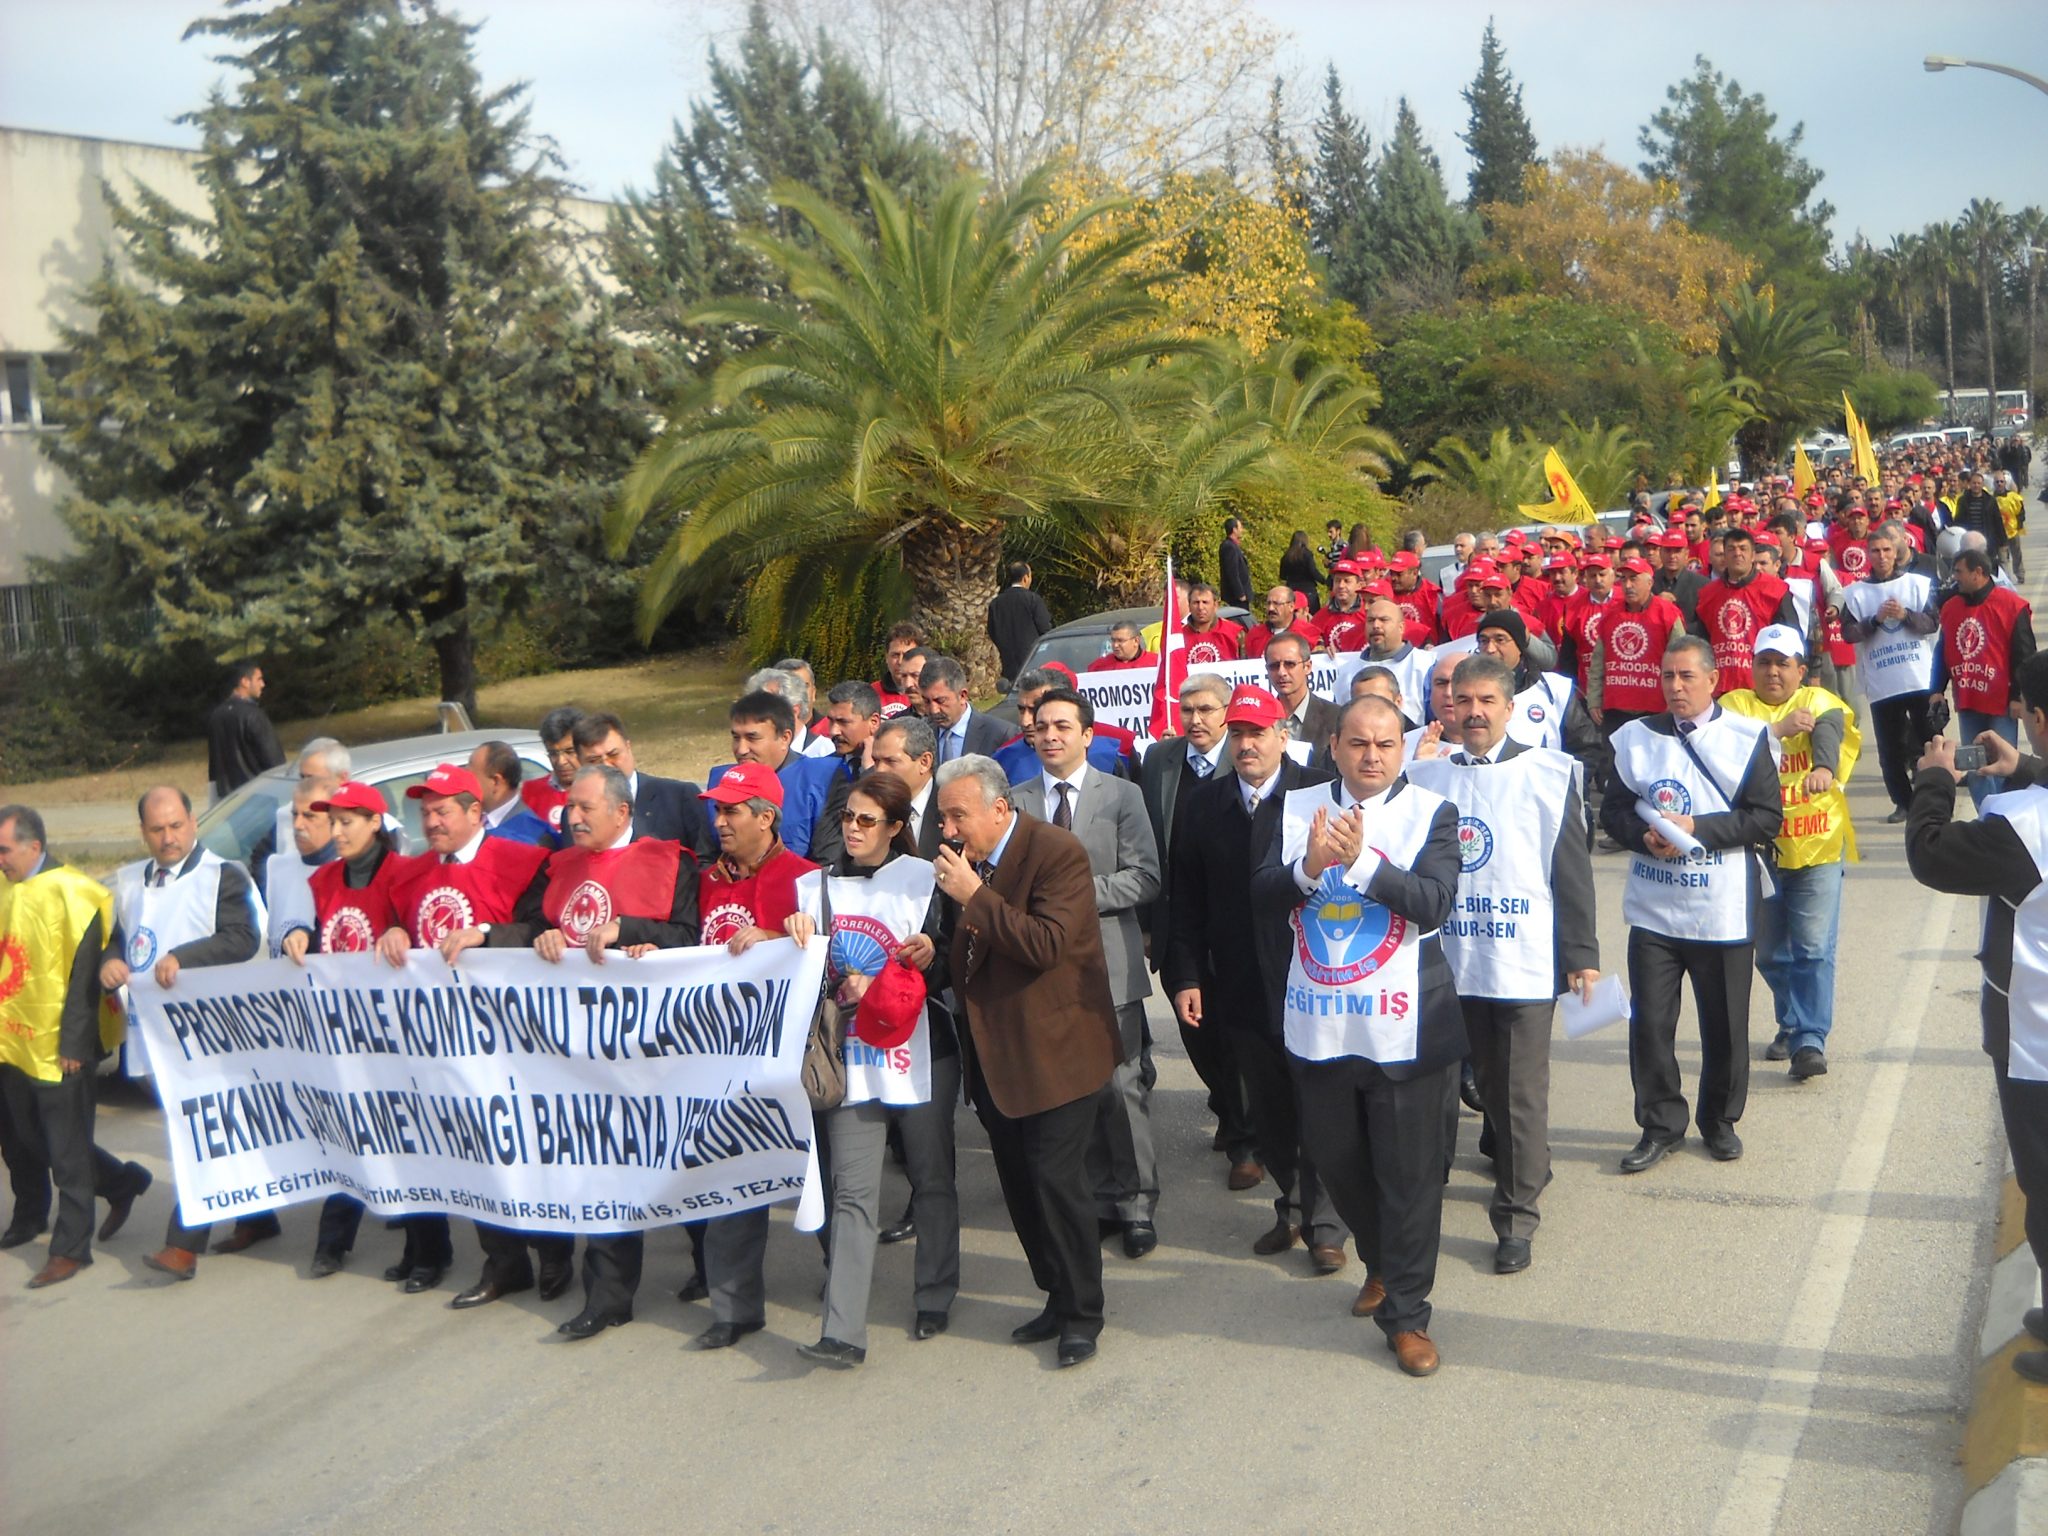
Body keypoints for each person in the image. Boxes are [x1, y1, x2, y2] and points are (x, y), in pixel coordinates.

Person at [1252, 695, 1463, 1376]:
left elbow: (1433, 903)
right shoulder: (1291, 807)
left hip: (1405, 1027)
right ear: (1334, 746)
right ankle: (1383, 1259)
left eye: (1386, 744)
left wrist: (1364, 863)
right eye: (1358, 744)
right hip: (1320, 1024)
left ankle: (1407, 1313)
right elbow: (1259, 895)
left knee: (1410, 1178)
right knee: (1339, 1164)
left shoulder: (1432, 813)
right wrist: (1309, 869)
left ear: (1403, 750)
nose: (1372, 756)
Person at [471, 764, 700, 1336]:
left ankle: (710, 1268)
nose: (570, 817)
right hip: (574, 1053)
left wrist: (628, 929)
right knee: (605, 1171)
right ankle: (607, 1297)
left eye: (584, 809)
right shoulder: (559, 866)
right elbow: (535, 929)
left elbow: (692, 940)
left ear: (622, 812)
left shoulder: (672, 862)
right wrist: (512, 935)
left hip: (652, 1047)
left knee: (682, 1171)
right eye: (569, 807)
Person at [1404, 655, 1596, 1274]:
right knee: (1478, 1084)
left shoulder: (1547, 772)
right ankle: (1519, 1164)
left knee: (1517, 1092)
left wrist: (1582, 957)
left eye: (1488, 700)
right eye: (1465, 701)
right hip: (1450, 961)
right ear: (1450, 708)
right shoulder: (1427, 780)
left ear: (1510, 708)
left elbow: (1571, 870)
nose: (1476, 712)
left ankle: (1516, 1215)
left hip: (1522, 959)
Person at [931, 755, 1121, 1368]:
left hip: (1058, 1051)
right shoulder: (968, 864)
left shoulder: (1057, 852)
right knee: (1017, 1183)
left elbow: (1044, 944)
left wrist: (975, 895)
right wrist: (931, 953)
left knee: (1055, 1182)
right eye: (943, 817)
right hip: (995, 1055)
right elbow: (974, 951)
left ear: (1000, 808)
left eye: (959, 815)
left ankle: (1081, 1315)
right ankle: (1055, 1292)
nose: (949, 830)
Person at [1166, 686, 1348, 1271]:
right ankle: (1292, 1206)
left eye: (1257, 732)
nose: (1247, 744)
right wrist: (1187, 972)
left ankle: (1328, 1225)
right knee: (1269, 1107)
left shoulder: (1318, 791)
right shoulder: (1203, 804)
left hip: (1312, 972)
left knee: (1316, 1102)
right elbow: (1185, 898)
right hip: (1239, 979)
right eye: (1238, 734)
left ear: (1282, 735)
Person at [1905, 669, 2048, 1387]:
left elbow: (1931, 855)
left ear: (2041, 720)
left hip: (2038, 1038)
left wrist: (1934, 779)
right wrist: (2026, 767)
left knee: (2046, 1185)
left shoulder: (2023, 827)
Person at [781, 771, 952, 1368]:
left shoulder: (925, 879)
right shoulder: (812, 888)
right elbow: (799, 974)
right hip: (849, 1059)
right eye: (847, 817)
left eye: (866, 820)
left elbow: (951, 960)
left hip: (920, 1051)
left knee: (930, 1180)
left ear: (896, 828)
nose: (852, 829)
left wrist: (926, 958)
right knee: (853, 1194)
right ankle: (844, 1332)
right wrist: (790, 936)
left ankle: (934, 1292)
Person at [1600, 638, 1782, 1174]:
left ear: (1713, 679)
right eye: (1667, 677)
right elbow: (1612, 811)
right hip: (1656, 909)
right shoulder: (1635, 738)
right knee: (1651, 1023)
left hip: (1721, 908)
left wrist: (1697, 828)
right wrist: (1644, 835)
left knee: (1724, 1024)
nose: (1675, 687)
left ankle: (1720, 1120)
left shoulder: (1746, 738)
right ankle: (1660, 1124)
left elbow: (1765, 818)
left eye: (1686, 677)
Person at [367, 765, 549, 1291]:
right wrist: (396, 930)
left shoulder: (522, 862)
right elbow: (391, 924)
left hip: (509, 1035)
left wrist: (486, 934)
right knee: (466, 1147)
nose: (431, 820)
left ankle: (553, 1254)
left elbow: (543, 928)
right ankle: (504, 1262)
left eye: (442, 810)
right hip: (438, 1039)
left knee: (520, 1146)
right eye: (425, 811)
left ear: (475, 812)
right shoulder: (410, 873)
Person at [1019, 688, 1162, 1259]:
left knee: (1120, 1085)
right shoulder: (1016, 800)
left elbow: (1145, 877)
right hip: (1041, 970)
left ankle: (1134, 1203)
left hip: (1109, 963)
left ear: (1087, 735)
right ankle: (1092, 1201)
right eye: (1041, 726)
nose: (1050, 735)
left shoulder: (1122, 795)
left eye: (1061, 726)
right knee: (1068, 1089)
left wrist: (1073, 898)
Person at [101, 787, 265, 1281]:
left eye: (176, 826)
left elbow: (242, 937)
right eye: (157, 830)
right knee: (199, 1131)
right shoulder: (132, 883)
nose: (168, 838)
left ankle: (183, 1244)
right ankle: (260, 1216)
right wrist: (110, 960)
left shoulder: (222, 876)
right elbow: (121, 937)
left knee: (200, 1133)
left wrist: (184, 959)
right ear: (144, 833)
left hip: (210, 1035)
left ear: (193, 823)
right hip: (153, 1036)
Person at [278, 780, 439, 1278]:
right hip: (347, 1032)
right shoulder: (324, 880)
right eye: (334, 820)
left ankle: (429, 1251)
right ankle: (344, 1244)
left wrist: (401, 932)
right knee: (352, 1133)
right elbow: (320, 937)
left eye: (348, 821)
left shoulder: (404, 873)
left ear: (375, 823)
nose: (337, 830)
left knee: (411, 1141)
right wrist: (296, 933)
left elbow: (420, 935)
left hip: (400, 1033)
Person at [691, 762, 820, 1350]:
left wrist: (780, 939)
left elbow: (829, 958)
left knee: (819, 1177)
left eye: (731, 810)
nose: (720, 821)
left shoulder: (807, 879)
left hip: (789, 1059)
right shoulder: (707, 879)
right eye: (717, 810)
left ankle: (845, 1284)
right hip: (720, 1058)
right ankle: (735, 1307)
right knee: (732, 1177)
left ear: (766, 818)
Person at [0, 805, 149, 1287]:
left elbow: (87, 977)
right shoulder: (7, 885)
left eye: (4, 850)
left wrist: (75, 1043)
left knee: (65, 1150)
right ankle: (45, 1210)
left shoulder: (77, 894)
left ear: (33, 846)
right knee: (22, 1139)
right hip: (11, 1041)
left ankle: (71, 1248)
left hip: (61, 1044)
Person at [1721, 626, 1859, 1079]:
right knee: (1770, 953)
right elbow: (1726, 753)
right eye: (1765, 662)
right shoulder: (1735, 706)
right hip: (1759, 851)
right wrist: (1777, 730)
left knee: (1814, 948)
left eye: (1784, 663)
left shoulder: (1818, 700)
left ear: (1801, 670)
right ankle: (1794, 1021)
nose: (1774, 671)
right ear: (1752, 666)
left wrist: (1822, 765)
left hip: (1817, 843)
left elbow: (1830, 727)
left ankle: (1809, 1040)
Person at [1140, 674, 1253, 1186]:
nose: (1195, 720)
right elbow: (1145, 845)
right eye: (1187, 710)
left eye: (1206, 709)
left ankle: (1245, 1136)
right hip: (1177, 924)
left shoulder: (1248, 759)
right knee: (1197, 1033)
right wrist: (1148, 923)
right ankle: (1228, 1104)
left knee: (1236, 1033)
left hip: (1236, 926)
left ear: (1227, 713)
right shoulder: (1159, 762)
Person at [1839, 524, 1941, 824]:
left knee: (1930, 741)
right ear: (1867, 554)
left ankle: (1933, 799)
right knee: (1890, 750)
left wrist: (1905, 615)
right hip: (1882, 682)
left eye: (1886, 550)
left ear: (1896, 552)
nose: (1882, 556)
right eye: (1875, 551)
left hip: (1918, 677)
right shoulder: (1856, 593)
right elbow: (1849, 633)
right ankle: (1904, 803)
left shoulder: (1917, 584)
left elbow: (1932, 623)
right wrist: (1875, 620)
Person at [1940, 548, 2035, 808]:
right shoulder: (1951, 608)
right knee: (1975, 765)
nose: (1954, 577)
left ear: (1978, 573)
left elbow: (2025, 657)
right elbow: (1943, 651)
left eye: (1959, 571)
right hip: (1969, 701)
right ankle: (1986, 814)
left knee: (2002, 764)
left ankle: (2005, 815)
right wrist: (1937, 689)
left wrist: (2019, 697)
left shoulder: (2011, 606)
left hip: (2002, 703)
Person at [711, 690, 843, 859]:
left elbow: (829, 861)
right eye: (736, 738)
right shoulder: (720, 781)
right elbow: (707, 858)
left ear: (785, 738)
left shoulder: (823, 778)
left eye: (752, 738)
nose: (741, 750)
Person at [572, 711, 715, 858]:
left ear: (628, 747)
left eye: (613, 755)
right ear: (580, 763)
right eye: (594, 761)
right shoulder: (574, 815)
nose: (607, 765)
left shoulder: (679, 797)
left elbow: (705, 860)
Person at [1693, 527, 1797, 696]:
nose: (1737, 553)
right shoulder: (1707, 595)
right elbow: (1701, 642)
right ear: (1724, 556)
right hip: (1719, 687)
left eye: (1743, 548)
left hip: (1761, 687)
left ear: (1752, 555)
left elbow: (1791, 639)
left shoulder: (1775, 590)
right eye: (1731, 549)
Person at [205, 661, 284, 802]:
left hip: (227, 799)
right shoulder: (253, 714)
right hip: (257, 795)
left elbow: (215, 764)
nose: (263, 684)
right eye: (259, 679)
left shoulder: (216, 715)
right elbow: (274, 760)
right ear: (245, 682)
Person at [920, 656, 1009, 763]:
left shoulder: (999, 735)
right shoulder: (921, 735)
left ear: (962, 696)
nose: (934, 710)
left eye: (940, 701)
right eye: (926, 701)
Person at [1362, 599, 1434, 728]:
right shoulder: (1346, 671)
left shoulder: (1426, 665)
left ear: (1401, 627)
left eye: (1384, 620)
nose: (1376, 625)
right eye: (1371, 620)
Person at [468, 740, 554, 845]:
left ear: (496, 781)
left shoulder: (532, 837)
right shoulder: (472, 820)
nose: (465, 782)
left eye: (471, 776)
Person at [1265, 631, 1337, 754]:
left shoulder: (1336, 718)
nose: (1281, 672)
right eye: (1274, 666)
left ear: (1307, 667)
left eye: (1290, 664)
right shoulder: (1262, 719)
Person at [986, 560, 1054, 684]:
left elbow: (992, 630)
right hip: (1033, 660)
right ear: (1025, 578)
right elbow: (1045, 628)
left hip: (1008, 662)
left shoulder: (996, 603)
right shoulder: (1033, 599)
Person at [522, 706, 584, 839]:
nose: (561, 761)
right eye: (553, 753)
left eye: (569, 751)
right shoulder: (530, 793)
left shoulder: (606, 788)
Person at [1181, 582, 1244, 664]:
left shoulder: (1235, 633)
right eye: (1196, 602)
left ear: (1215, 605)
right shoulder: (1178, 637)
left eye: (1205, 602)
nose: (1200, 607)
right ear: (1189, 606)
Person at [1086, 621, 1156, 673]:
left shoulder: (1156, 663)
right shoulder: (1098, 667)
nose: (1115, 645)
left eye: (1120, 640)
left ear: (1136, 641)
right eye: (1113, 640)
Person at [1278, 528, 1323, 605]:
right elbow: (1313, 571)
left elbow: (1282, 576)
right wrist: (1324, 581)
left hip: (1292, 589)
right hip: (1307, 590)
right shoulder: (1307, 554)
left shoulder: (1287, 556)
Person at [1218, 517, 1254, 608]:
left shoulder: (1234, 545)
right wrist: (1240, 594)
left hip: (1239, 596)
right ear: (1234, 529)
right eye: (1240, 527)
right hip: (1235, 598)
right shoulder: (1229, 547)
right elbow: (1232, 572)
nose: (1242, 530)